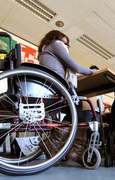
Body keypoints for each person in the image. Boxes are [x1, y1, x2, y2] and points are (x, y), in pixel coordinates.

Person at [38, 30, 97, 166]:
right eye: (65, 42)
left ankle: (52, 144)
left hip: (49, 89)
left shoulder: (45, 50)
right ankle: (75, 150)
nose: (66, 46)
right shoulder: (55, 44)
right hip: (56, 89)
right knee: (77, 106)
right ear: (56, 38)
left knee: (75, 110)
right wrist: (93, 71)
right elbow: (75, 66)